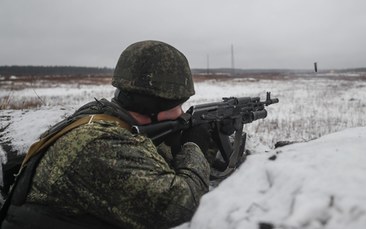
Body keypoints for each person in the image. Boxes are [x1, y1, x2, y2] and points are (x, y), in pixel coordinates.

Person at [1, 40, 212, 229]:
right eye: (178, 106)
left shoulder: (101, 117)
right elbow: (183, 209)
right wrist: (195, 147)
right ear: (152, 107)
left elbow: (147, 159)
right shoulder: (101, 146)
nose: (182, 114)